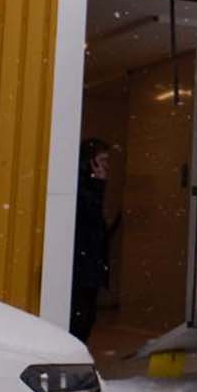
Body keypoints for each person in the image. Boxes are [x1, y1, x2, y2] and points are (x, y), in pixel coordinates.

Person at [70, 138, 113, 343]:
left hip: (88, 267)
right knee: (81, 318)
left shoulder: (91, 187)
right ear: (90, 162)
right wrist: (98, 184)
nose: (106, 166)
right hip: (82, 268)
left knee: (86, 316)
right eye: (102, 160)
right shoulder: (80, 188)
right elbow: (88, 219)